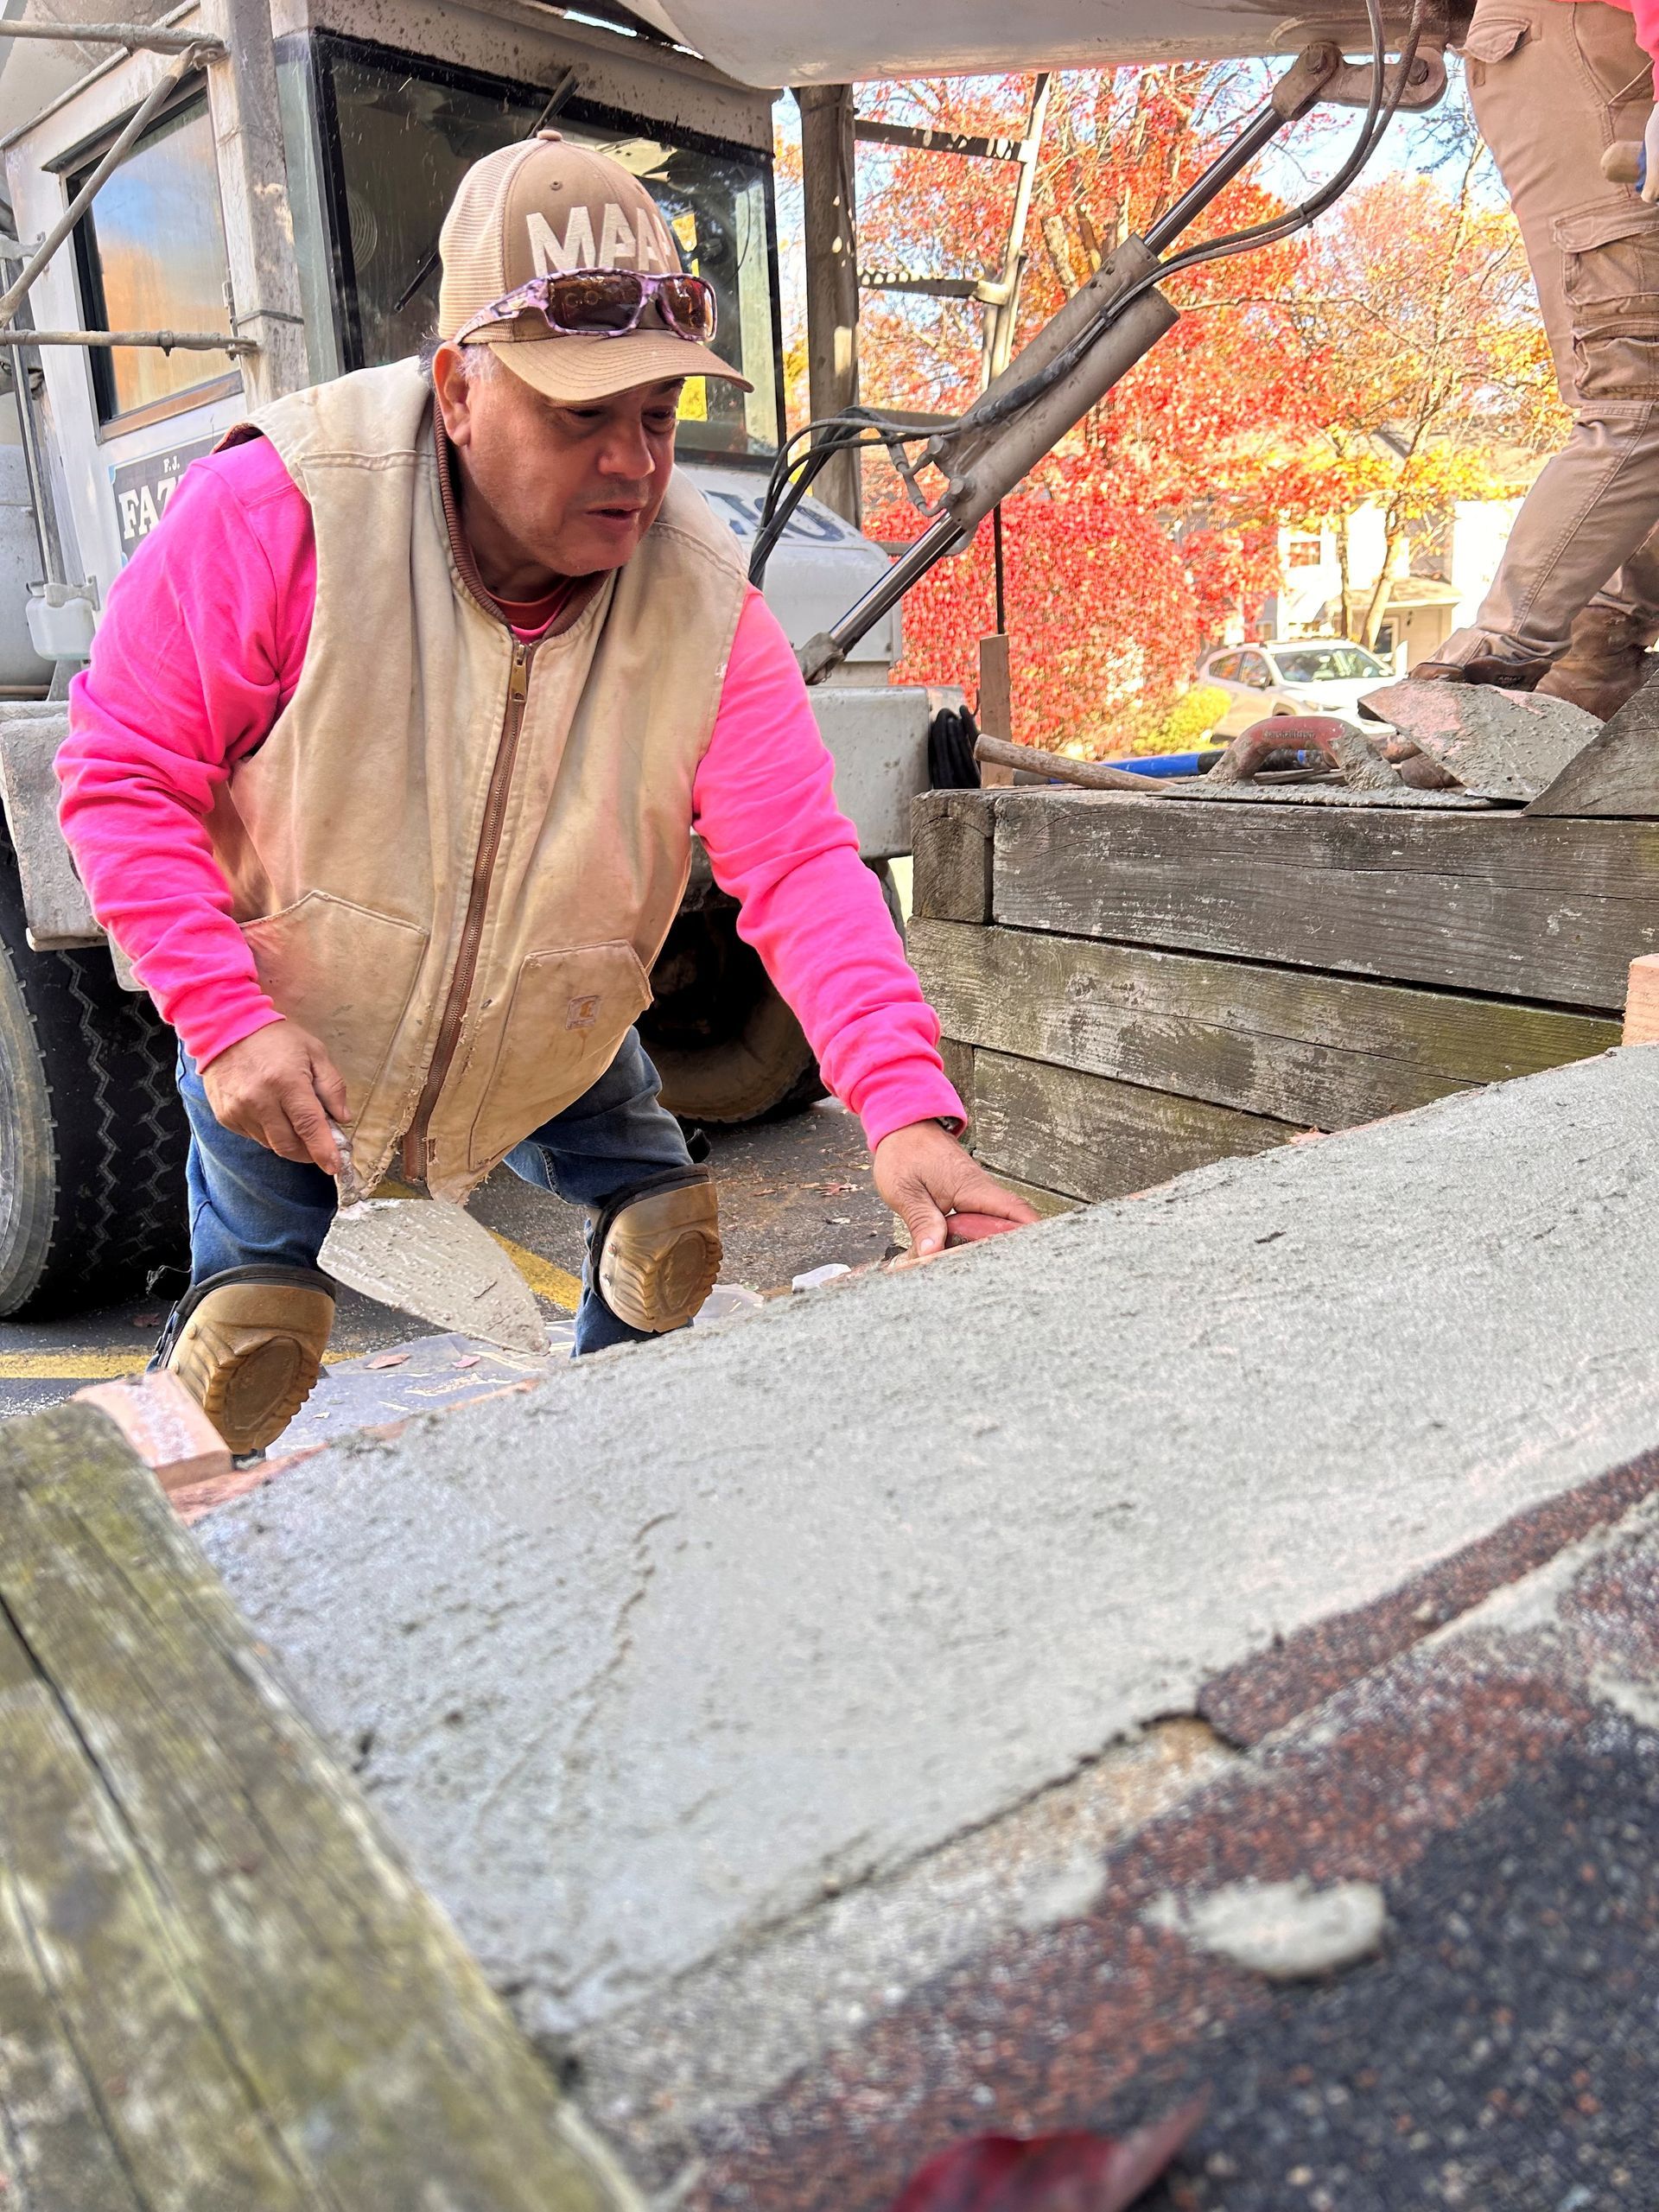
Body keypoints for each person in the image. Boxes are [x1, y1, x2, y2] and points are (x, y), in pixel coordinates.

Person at [58, 132, 1033, 1455]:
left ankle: (590, 1464)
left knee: (668, 1241)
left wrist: (905, 1113)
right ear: (459, 388)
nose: (635, 465)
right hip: (300, 1032)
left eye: (657, 414)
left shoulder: (703, 603)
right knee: (254, 1345)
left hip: (560, 1025)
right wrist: (224, 1023)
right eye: (582, 415)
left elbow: (800, 864)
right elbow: (121, 774)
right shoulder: (278, 510)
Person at [1416, 0, 1659, 715]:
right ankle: (1485, 675)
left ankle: (1595, 659)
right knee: (1639, 398)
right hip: (1604, 40)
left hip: (1593, 44)